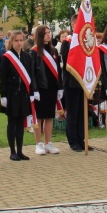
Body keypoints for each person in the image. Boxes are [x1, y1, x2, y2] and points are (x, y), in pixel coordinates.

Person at [0, 30, 34, 160]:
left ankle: (20, 150)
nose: (19, 43)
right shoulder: (7, 57)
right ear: (11, 41)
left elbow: (30, 76)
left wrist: (31, 92)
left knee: (21, 123)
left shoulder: (26, 57)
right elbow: (2, 78)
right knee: (12, 122)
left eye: (21, 40)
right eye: (16, 41)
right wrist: (3, 95)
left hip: (23, 94)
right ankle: (12, 151)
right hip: (11, 94)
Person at [31, 25, 63, 154]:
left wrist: (60, 87)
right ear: (40, 35)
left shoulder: (54, 50)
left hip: (52, 88)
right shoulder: (34, 52)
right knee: (39, 117)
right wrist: (34, 90)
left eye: (49, 33)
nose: (49, 35)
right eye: (46, 33)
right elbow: (32, 72)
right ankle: (38, 144)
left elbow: (58, 71)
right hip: (40, 89)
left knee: (50, 116)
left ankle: (48, 142)